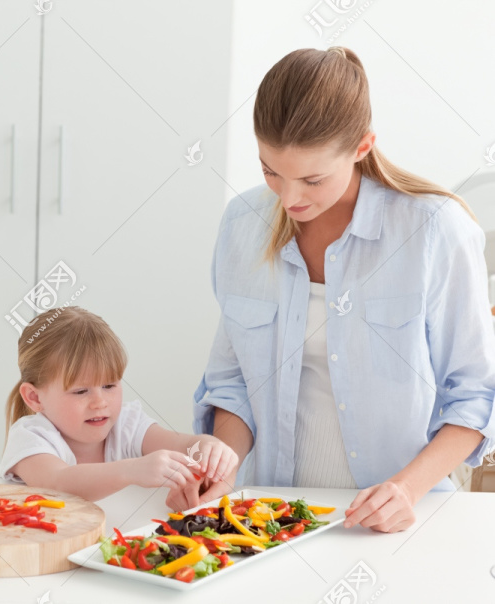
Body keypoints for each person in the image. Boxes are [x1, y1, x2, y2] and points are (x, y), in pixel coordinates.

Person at [193, 47, 495, 533]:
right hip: (270, 522)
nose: (289, 199)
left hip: (402, 523)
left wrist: (405, 489)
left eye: (312, 179)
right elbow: (232, 383)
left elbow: (477, 395)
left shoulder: (435, 230)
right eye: (271, 171)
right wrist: (221, 467)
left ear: (361, 146)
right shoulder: (241, 224)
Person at [0, 306, 238, 510]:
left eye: (109, 385)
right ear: (34, 397)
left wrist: (210, 448)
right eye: (81, 391)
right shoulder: (29, 437)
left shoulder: (127, 423)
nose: (100, 402)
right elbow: (58, 483)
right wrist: (132, 470)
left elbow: (182, 445)